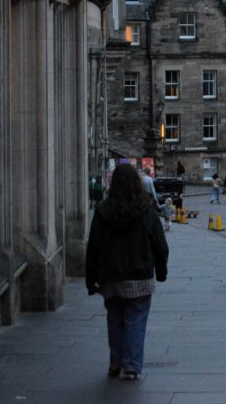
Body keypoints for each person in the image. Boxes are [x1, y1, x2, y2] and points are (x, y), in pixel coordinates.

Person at [85, 163, 169, 380]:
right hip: (140, 275)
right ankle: (130, 366)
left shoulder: (102, 211)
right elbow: (160, 245)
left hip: (111, 275)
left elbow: (93, 246)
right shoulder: (146, 210)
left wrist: (90, 279)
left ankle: (116, 363)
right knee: (135, 320)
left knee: (115, 319)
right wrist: (161, 271)